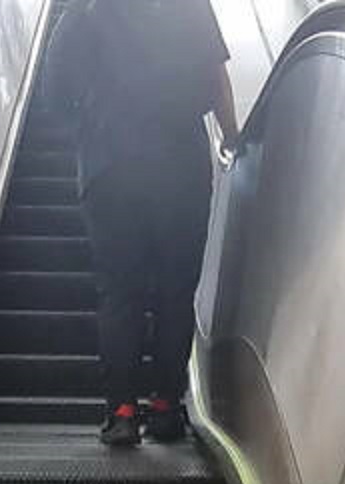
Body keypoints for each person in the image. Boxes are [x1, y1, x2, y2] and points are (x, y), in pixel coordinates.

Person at [46, 0, 240, 446]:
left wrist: (88, 129)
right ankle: (167, 409)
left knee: (120, 290)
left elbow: (52, 96)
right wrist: (234, 141)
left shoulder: (84, 10)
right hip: (179, 167)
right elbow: (216, 79)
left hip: (109, 168)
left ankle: (122, 413)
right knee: (175, 290)